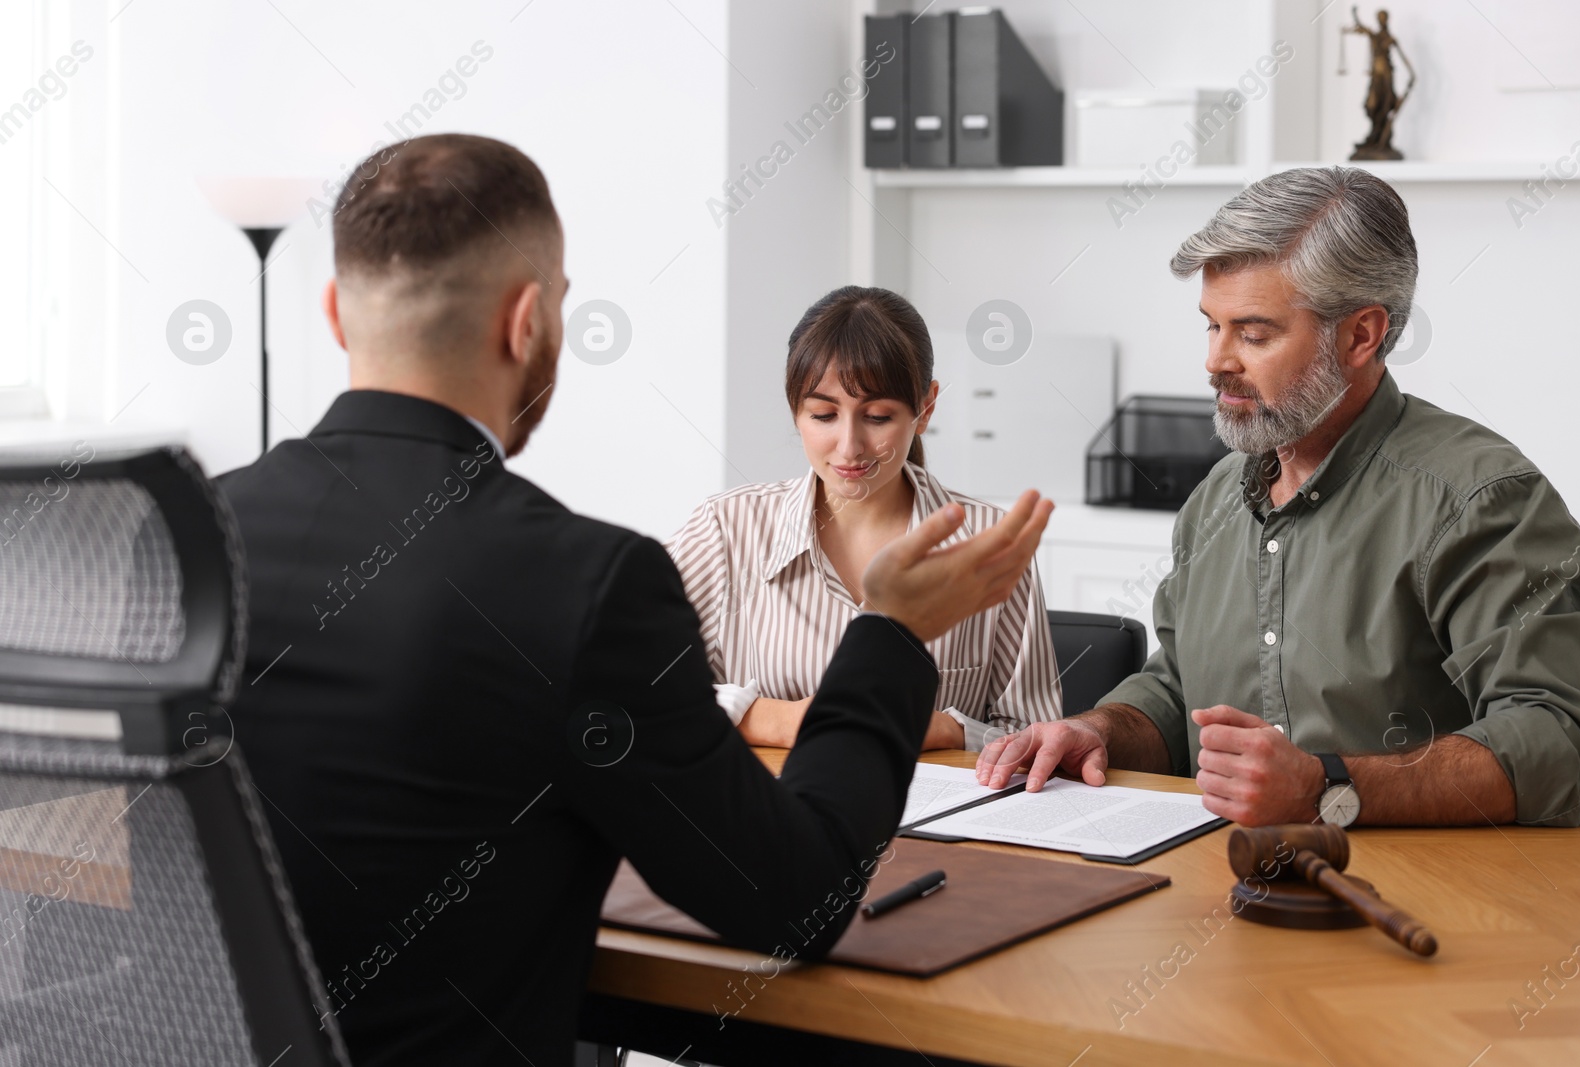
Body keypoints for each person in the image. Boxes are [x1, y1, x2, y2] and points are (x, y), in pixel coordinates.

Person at [216, 133, 1053, 1065]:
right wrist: (889, 630)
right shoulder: (585, 582)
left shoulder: (189, 536)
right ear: (528, 321)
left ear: (335, 315)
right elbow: (797, 898)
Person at [977, 166, 1580, 829]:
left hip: (1425, 909)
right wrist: (1099, 729)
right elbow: (1177, 688)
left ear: (1360, 335)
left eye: (1254, 333)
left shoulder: (1478, 499)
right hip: (1220, 898)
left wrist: (1326, 788)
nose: (1216, 361)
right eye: (1211, 326)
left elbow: (1566, 740)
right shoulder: (1216, 498)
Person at [667, 286, 1062, 752]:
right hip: (765, 812)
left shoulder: (991, 541)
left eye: (877, 417)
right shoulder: (725, 529)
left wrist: (948, 730)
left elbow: (1035, 737)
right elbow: (629, 687)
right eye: (823, 414)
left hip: (928, 820)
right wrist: (778, 721)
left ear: (926, 408)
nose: (849, 446)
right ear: (795, 409)